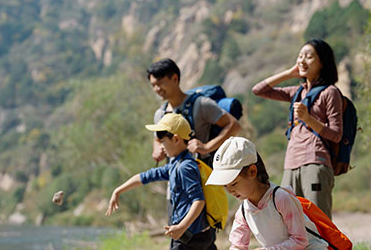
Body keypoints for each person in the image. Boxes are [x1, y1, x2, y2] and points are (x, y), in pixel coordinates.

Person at [251, 39, 342, 218]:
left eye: (309, 57)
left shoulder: (330, 92)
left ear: (322, 63)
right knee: (290, 221)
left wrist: (308, 119)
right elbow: (259, 90)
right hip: (291, 163)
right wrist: (290, 73)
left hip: (315, 162)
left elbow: (337, 135)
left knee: (318, 222)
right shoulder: (297, 92)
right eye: (300, 56)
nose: (302, 60)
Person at [106, 113, 217, 250]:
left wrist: (181, 227)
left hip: (190, 238)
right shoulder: (175, 164)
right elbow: (146, 176)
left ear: (176, 139)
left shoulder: (185, 167)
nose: (161, 146)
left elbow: (199, 201)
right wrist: (118, 190)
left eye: (162, 141)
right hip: (195, 235)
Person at [206, 137, 328, 249]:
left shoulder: (280, 198)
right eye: (225, 186)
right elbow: (237, 246)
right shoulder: (244, 211)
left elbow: (300, 240)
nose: (230, 191)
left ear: (252, 171)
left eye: (234, 184)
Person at [147, 58, 241, 166]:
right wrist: (157, 150)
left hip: (205, 174)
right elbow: (157, 139)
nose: (157, 89)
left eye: (160, 83)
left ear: (175, 78)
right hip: (176, 176)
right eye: (153, 85)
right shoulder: (160, 114)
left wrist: (207, 147)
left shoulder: (200, 104)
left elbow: (234, 125)